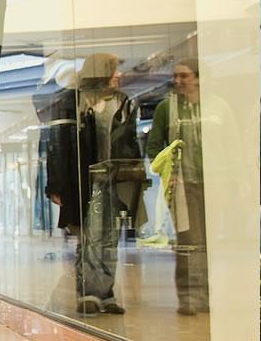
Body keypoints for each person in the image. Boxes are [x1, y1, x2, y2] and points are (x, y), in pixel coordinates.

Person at [57, 53, 142, 315]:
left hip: (113, 179)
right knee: (88, 236)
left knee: (109, 237)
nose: (118, 75)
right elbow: (60, 148)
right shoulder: (74, 103)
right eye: (113, 70)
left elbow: (130, 142)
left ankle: (106, 292)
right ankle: (88, 292)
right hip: (84, 179)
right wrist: (57, 185)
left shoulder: (123, 102)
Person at [145, 58, 205, 315]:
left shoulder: (215, 104)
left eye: (185, 76)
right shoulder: (165, 109)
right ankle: (190, 297)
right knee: (189, 241)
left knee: (211, 242)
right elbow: (154, 147)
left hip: (212, 184)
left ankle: (209, 295)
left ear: (199, 78)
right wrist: (168, 173)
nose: (178, 81)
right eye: (176, 76)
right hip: (181, 185)